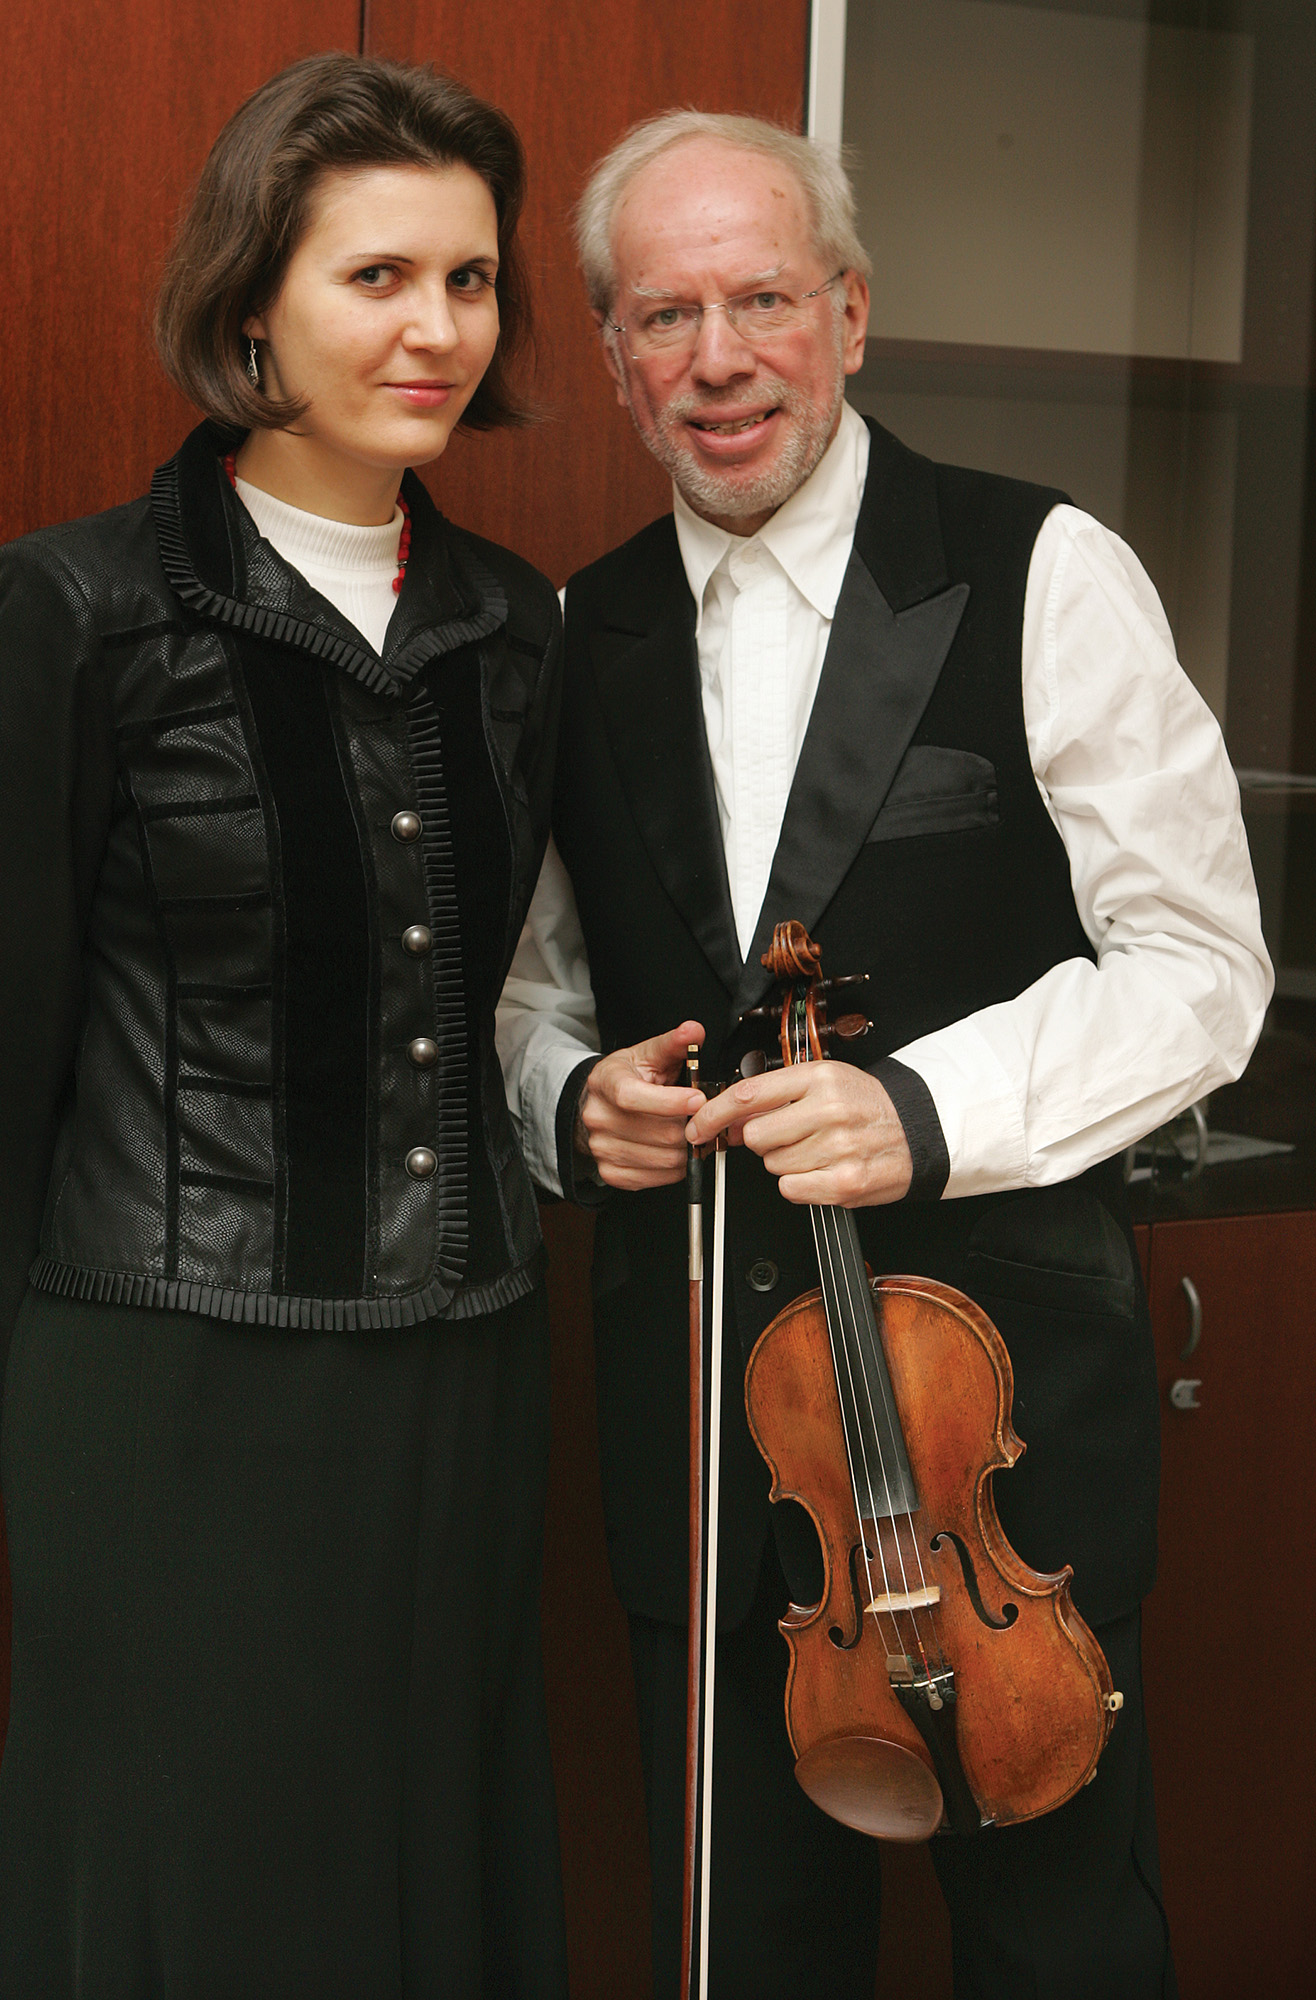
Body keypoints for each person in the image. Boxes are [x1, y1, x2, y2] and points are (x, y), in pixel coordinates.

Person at [498, 110, 1271, 1998]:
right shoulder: (573, 633)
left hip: (996, 1441)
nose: (720, 359)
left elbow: (1200, 967)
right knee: (745, 1944)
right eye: (665, 316)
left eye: (763, 300)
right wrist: (564, 1095)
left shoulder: (1044, 567)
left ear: (849, 312)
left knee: (1060, 1941)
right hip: (714, 1442)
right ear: (613, 355)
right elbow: (533, 993)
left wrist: (924, 1109)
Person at [0, 53, 568, 1999]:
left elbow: (489, 995)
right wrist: (46, 1428)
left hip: (462, 1371)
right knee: (185, 1899)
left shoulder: (515, 625)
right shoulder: (79, 607)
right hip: (162, 1390)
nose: (437, 327)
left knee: (423, 1874)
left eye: (469, 279)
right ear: (251, 301)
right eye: (378, 276)